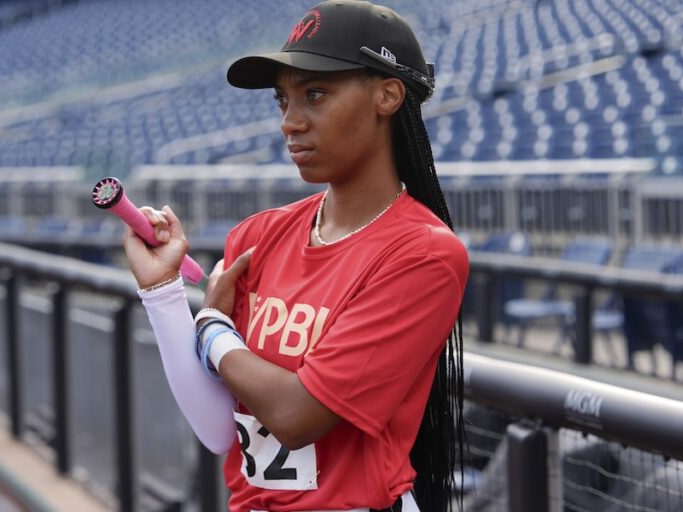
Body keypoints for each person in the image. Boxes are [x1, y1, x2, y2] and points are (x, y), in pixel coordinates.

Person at [124, 1, 469, 510]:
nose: (291, 122)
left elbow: (296, 416)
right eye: (282, 101)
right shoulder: (257, 236)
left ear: (388, 95)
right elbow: (222, 432)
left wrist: (212, 330)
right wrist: (164, 295)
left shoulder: (423, 254)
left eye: (314, 94)